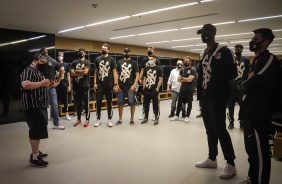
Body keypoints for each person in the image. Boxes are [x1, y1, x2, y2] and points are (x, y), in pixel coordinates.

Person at [238, 28, 282, 184]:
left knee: (261, 155)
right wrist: (247, 82)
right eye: (252, 39)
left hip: (259, 115)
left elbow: (250, 85)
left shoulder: (269, 59)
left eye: (256, 39)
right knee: (252, 152)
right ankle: (253, 179)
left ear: (266, 42)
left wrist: (245, 83)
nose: (253, 42)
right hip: (249, 113)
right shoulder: (256, 60)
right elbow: (248, 83)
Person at [195, 24, 237, 179]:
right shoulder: (203, 52)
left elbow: (232, 74)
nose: (203, 35)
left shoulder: (225, 51)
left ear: (213, 33)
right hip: (205, 97)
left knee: (220, 129)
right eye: (202, 33)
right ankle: (212, 158)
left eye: (206, 32)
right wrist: (200, 96)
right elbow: (201, 75)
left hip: (218, 97)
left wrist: (225, 94)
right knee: (209, 129)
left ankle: (231, 164)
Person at [20, 52, 50, 167]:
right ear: (35, 60)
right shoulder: (29, 70)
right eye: (42, 61)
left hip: (40, 104)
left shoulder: (38, 71)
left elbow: (39, 85)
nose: (44, 63)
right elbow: (25, 85)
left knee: (39, 129)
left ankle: (36, 152)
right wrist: (42, 83)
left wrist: (47, 84)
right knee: (36, 130)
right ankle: (34, 158)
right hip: (33, 104)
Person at [93, 43, 119, 127]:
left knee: (109, 102)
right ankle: (98, 119)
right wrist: (94, 83)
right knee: (98, 102)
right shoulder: (97, 59)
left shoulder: (111, 59)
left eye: (105, 48)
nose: (103, 49)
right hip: (100, 84)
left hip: (109, 84)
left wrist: (115, 84)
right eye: (102, 48)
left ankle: (109, 119)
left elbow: (114, 72)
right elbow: (96, 72)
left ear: (108, 50)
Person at [40, 48, 65, 130]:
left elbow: (61, 70)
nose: (45, 54)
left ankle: (56, 124)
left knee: (54, 105)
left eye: (46, 52)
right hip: (41, 87)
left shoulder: (53, 61)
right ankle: (43, 124)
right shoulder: (38, 62)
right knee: (42, 105)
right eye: (43, 53)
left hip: (52, 87)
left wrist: (58, 81)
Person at [227, 44, 250, 130]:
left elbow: (248, 73)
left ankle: (242, 122)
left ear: (242, 49)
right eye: (235, 49)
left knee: (242, 106)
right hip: (231, 87)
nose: (237, 50)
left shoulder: (246, 60)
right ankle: (231, 122)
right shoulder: (230, 59)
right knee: (230, 106)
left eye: (239, 48)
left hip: (241, 87)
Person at [116, 48, 139, 126]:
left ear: (130, 53)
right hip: (121, 86)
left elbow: (137, 74)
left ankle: (132, 119)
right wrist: (117, 84)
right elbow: (117, 73)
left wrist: (134, 85)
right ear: (123, 52)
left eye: (128, 52)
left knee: (132, 103)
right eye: (125, 51)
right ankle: (120, 119)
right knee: (120, 103)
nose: (126, 53)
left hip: (130, 86)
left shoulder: (134, 63)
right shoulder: (119, 62)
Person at [170, 56, 197, 123]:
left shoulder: (193, 69)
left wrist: (183, 78)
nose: (186, 62)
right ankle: (176, 115)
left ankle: (187, 116)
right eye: (185, 61)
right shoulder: (182, 69)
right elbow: (178, 79)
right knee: (179, 102)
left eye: (187, 61)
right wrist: (186, 79)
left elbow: (190, 80)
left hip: (190, 89)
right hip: (182, 89)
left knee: (189, 103)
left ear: (190, 62)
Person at [138, 46, 162, 120]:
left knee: (155, 101)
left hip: (154, 83)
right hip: (147, 82)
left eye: (151, 50)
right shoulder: (144, 60)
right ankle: (144, 113)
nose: (149, 51)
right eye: (148, 50)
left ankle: (155, 114)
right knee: (145, 100)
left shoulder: (157, 61)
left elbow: (159, 74)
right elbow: (142, 70)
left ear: (153, 51)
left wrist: (157, 87)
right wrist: (140, 78)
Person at [71, 48, 91, 127]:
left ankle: (87, 119)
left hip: (85, 86)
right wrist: (81, 72)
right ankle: (78, 119)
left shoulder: (87, 62)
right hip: (76, 86)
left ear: (85, 53)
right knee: (78, 104)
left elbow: (86, 72)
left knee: (86, 104)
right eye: (80, 52)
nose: (81, 53)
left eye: (82, 52)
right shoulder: (74, 62)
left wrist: (76, 71)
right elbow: (72, 73)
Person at [56, 51, 72, 121]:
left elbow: (68, 75)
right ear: (57, 56)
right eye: (59, 55)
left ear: (63, 57)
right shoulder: (55, 64)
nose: (60, 57)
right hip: (56, 84)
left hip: (64, 84)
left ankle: (67, 113)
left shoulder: (66, 65)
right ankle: (55, 114)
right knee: (56, 100)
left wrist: (69, 85)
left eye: (61, 55)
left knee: (66, 100)